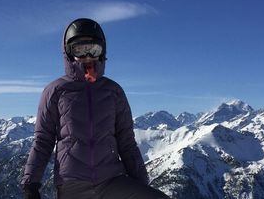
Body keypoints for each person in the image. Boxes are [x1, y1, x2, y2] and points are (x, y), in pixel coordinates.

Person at [21, 18, 170, 199]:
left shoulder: (113, 91)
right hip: (72, 184)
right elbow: (43, 140)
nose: (88, 56)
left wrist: (141, 184)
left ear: (102, 51)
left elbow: (126, 142)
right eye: (80, 49)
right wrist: (31, 184)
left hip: (112, 181)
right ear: (68, 52)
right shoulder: (55, 91)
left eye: (94, 49)